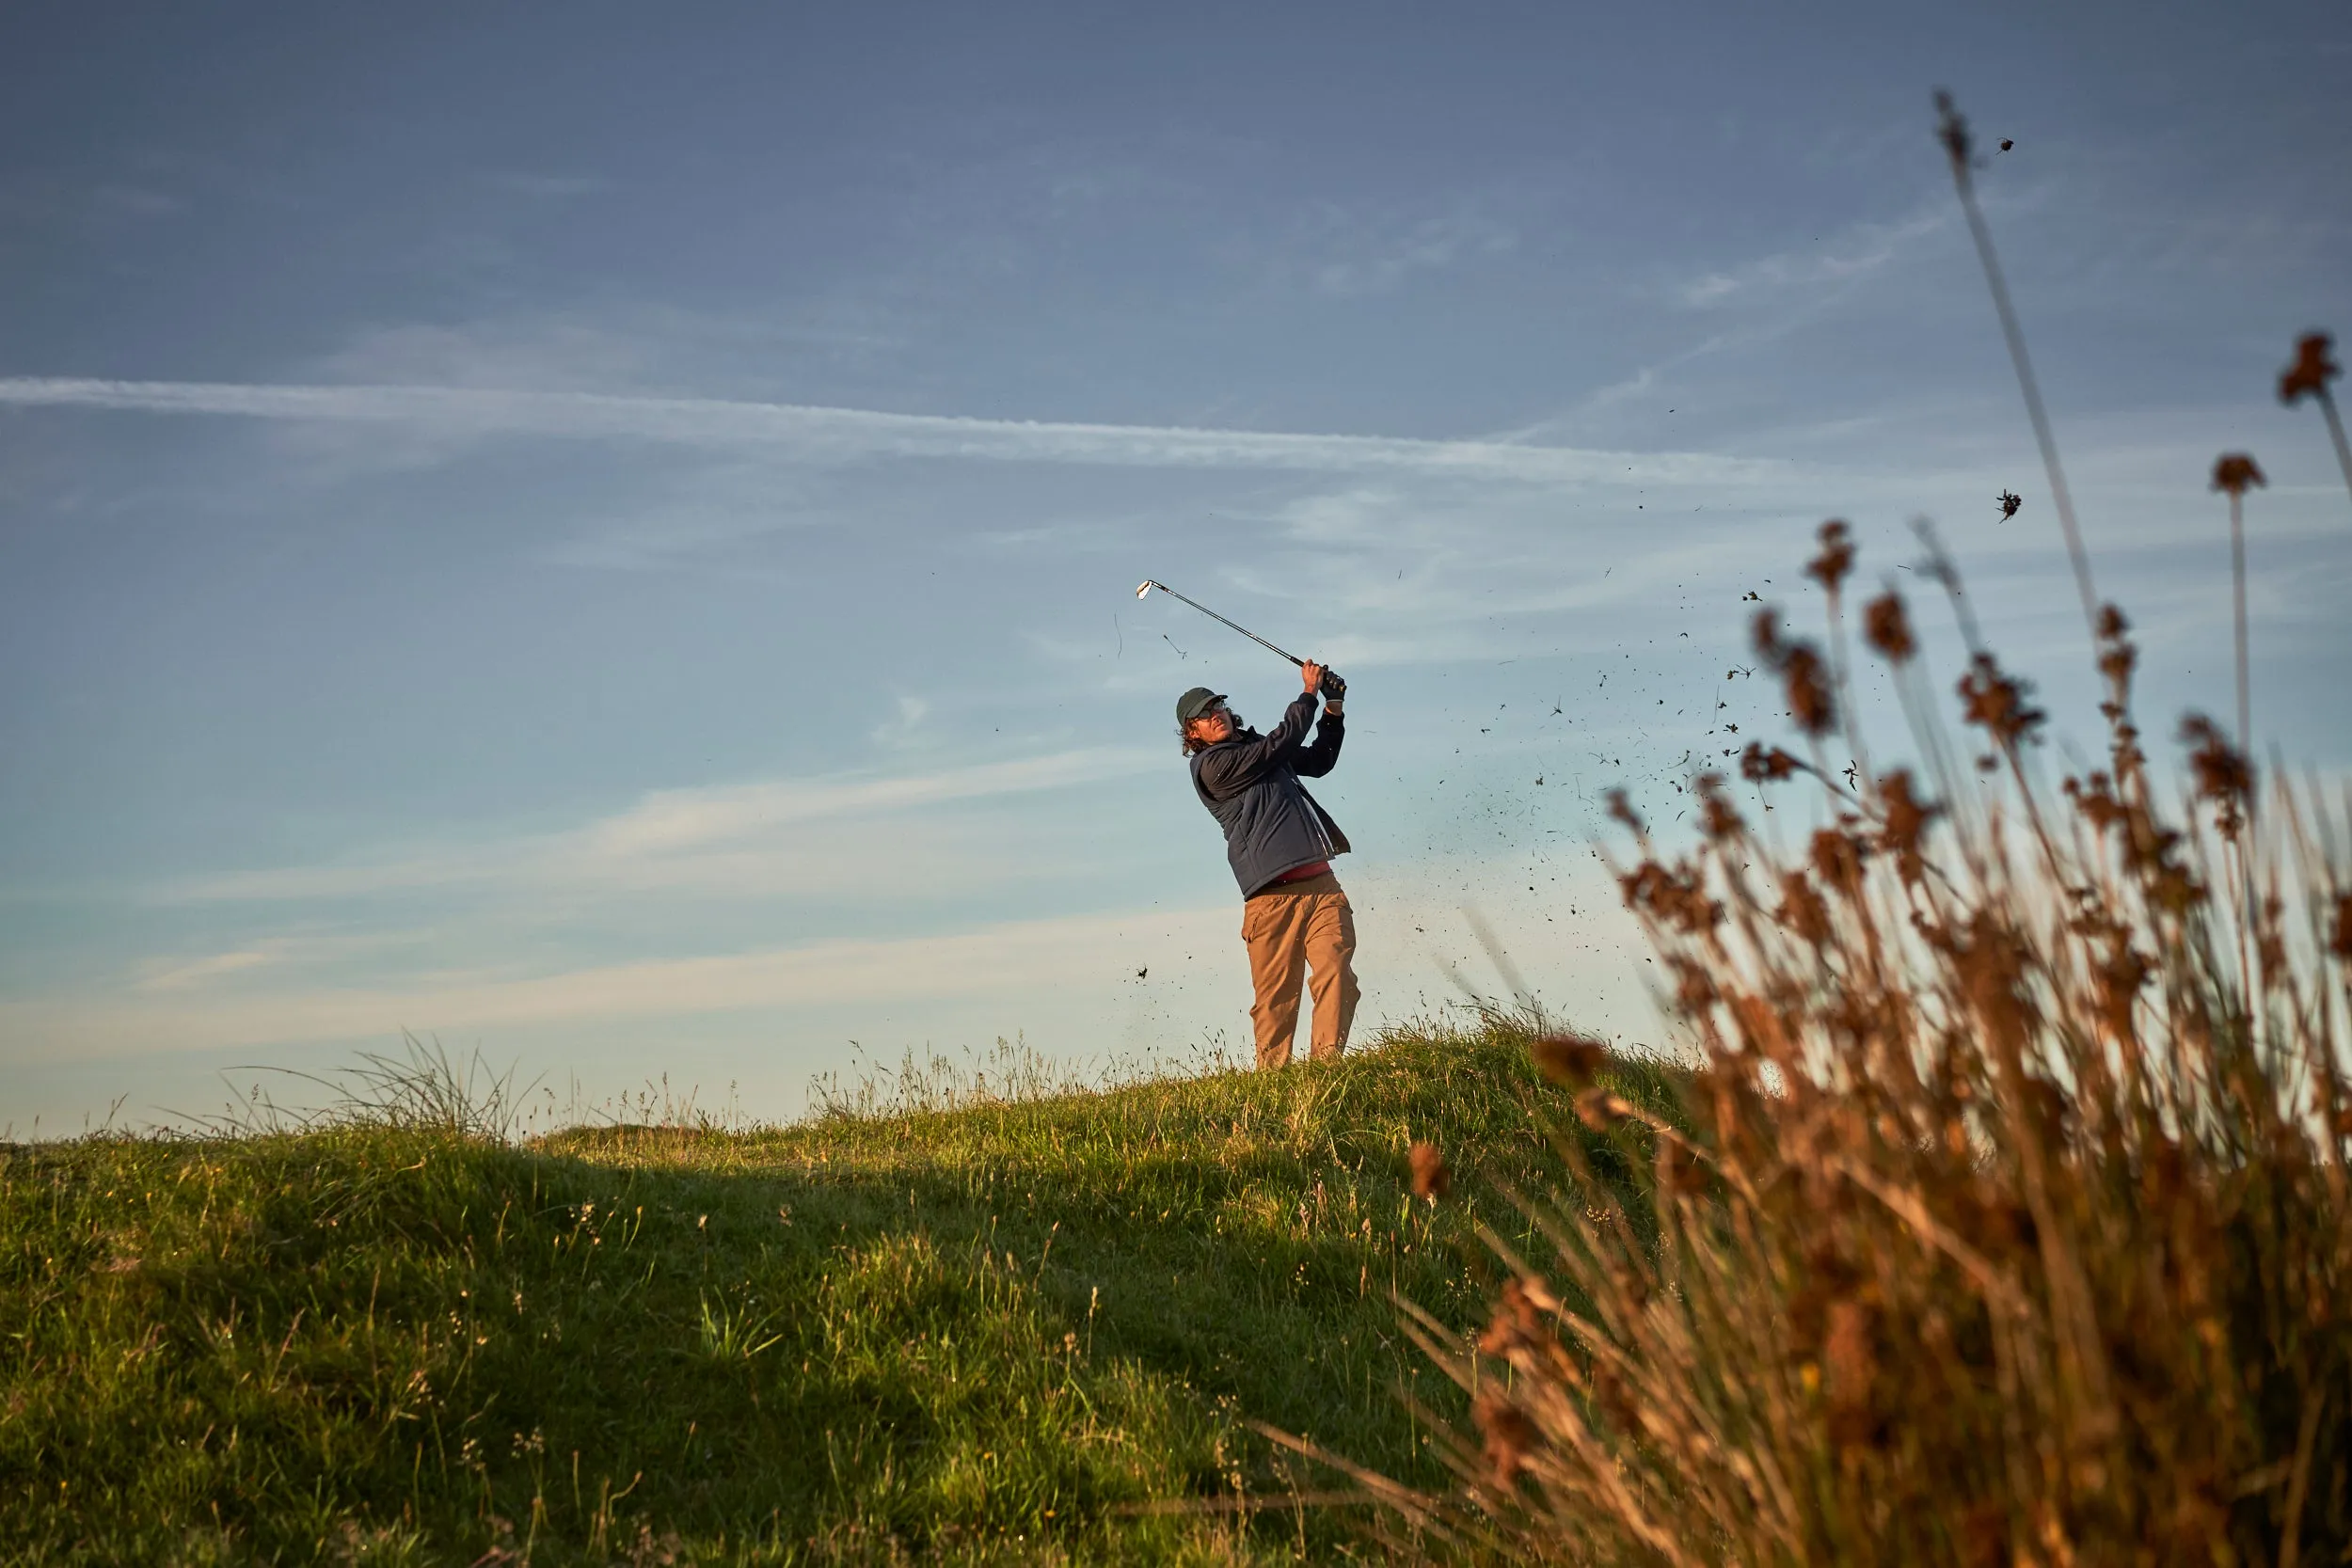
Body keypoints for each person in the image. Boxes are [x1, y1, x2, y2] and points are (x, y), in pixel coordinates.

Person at [1175, 661, 1358, 1069]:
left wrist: (1333, 708)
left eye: (1217, 707)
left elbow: (1320, 761)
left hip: (1322, 887)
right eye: (1203, 716)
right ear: (1193, 734)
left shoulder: (1260, 749)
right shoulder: (1211, 768)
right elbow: (1280, 742)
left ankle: (1326, 1070)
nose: (1215, 715)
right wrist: (1308, 693)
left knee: (1338, 976)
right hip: (1270, 901)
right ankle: (1273, 1082)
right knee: (1277, 1002)